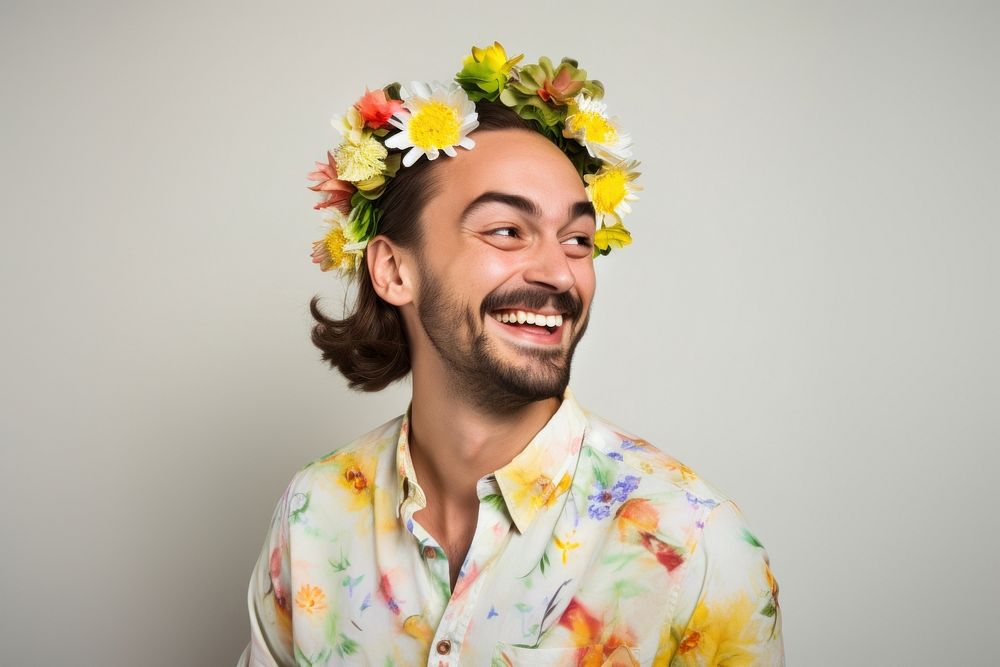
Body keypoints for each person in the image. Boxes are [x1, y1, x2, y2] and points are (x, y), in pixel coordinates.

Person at [238, 42, 784, 666]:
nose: (559, 272)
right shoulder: (314, 514)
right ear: (393, 269)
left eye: (578, 239)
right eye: (506, 231)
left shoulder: (692, 545)